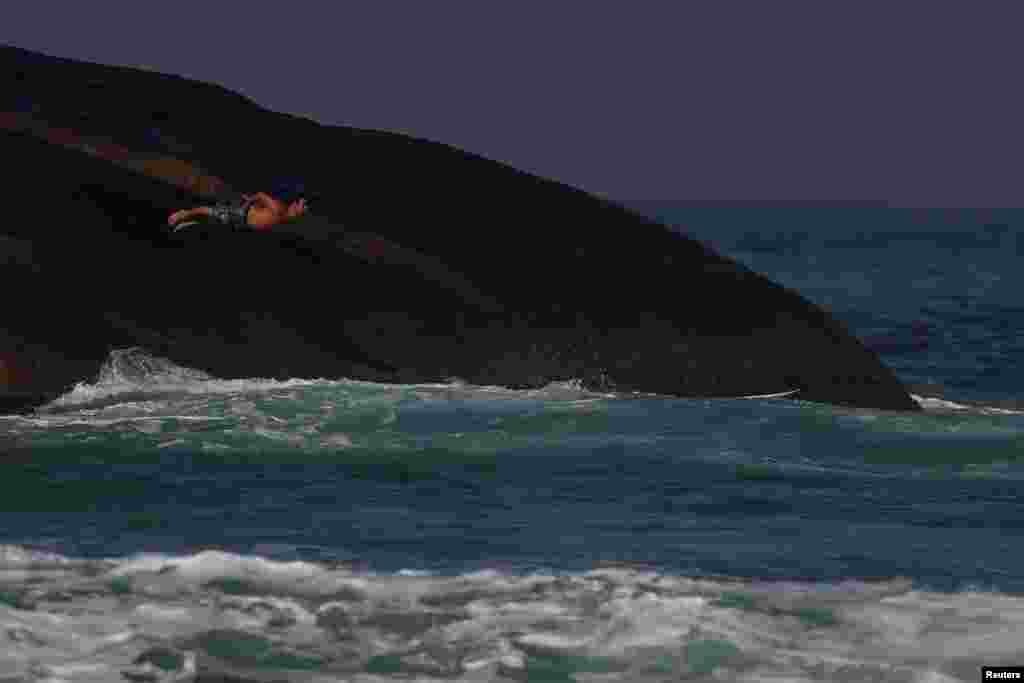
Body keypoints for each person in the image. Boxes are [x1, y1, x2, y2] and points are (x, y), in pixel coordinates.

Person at [167, 180, 311, 231]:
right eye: (299, 207)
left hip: (242, 222)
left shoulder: (285, 218)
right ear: (293, 205)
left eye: (301, 211)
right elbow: (261, 195)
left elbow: (263, 205)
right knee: (209, 211)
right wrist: (248, 202)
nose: (298, 212)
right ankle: (184, 213)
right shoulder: (279, 209)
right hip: (241, 212)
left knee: (215, 220)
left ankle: (191, 220)